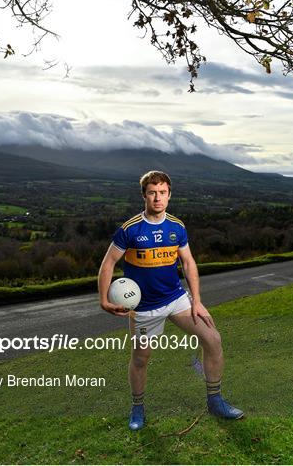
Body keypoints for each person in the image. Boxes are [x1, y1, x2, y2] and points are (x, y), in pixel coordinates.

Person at [98, 170, 243, 430]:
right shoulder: (130, 230)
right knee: (141, 358)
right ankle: (138, 408)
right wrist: (103, 299)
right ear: (144, 195)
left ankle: (215, 400)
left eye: (162, 193)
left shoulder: (177, 226)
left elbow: (188, 263)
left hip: (177, 300)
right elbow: (108, 263)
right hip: (144, 309)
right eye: (152, 193)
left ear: (169, 195)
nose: (157, 198)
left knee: (213, 339)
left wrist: (196, 301)